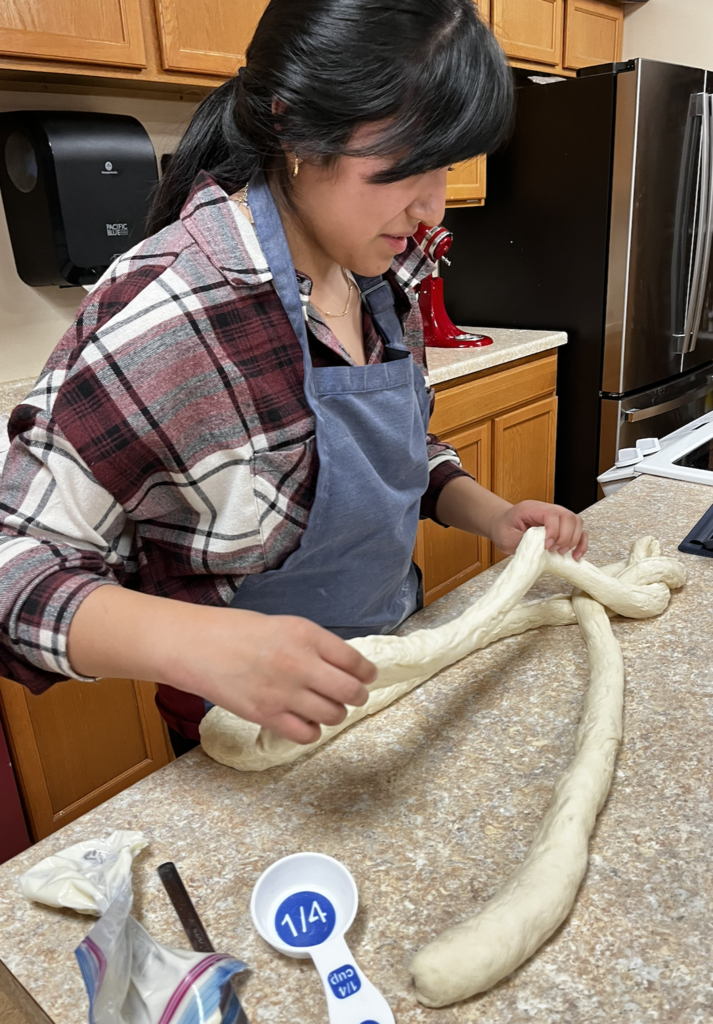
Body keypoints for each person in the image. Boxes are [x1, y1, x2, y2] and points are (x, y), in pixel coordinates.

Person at [0, 0, 587, 757]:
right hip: (244, 733)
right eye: (407, 165)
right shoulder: (180, 309)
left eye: (445, 164)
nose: (430, 206)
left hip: (386, 673)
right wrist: (201, 644)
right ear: (296, 132)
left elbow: (397, 452)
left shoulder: (382, 274)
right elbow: (15, 563)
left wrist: (489, 514)